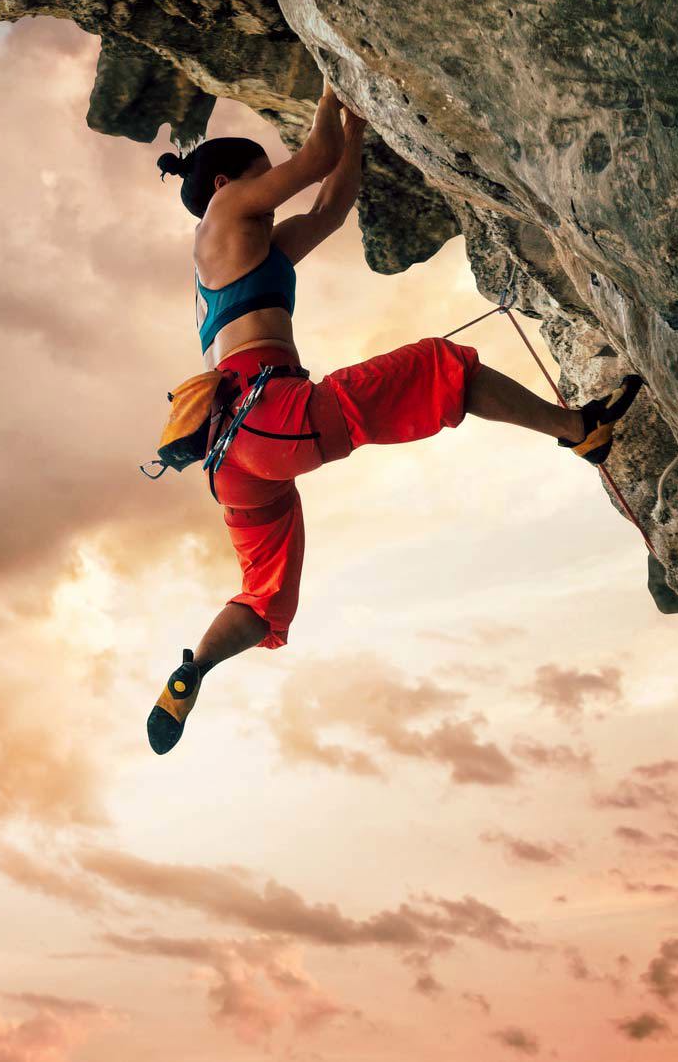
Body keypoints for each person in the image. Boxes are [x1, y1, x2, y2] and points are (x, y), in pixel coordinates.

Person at [147, 80, 642, 753]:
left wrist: (353, 133)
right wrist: (329, 88)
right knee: (441, 369)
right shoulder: (226, 210)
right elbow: (314, 160)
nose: (270, 185)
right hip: (271, 418)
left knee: (264, 597)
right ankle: (581, 433)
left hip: (233, 460)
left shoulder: (241, 255)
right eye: (264, 175)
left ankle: (194, 668)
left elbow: (330, 204)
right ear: (230, 180)